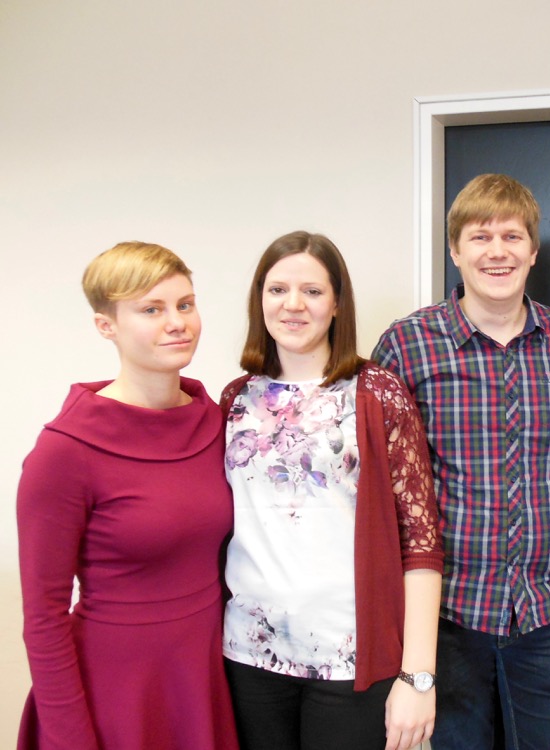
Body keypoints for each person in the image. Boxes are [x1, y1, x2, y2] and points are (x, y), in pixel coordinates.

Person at [372, 174, 550, 749]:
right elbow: (383, 482)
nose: (498, 252)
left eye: (512, 236)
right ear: (455, 250)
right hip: (448, 617)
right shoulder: (407, 344)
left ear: (533, 250)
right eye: (480, 237)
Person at [219, 230, 443, 750]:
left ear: (337, 303)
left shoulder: (377, 393)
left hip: (349, 658)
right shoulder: (235, 399)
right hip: (248, 653)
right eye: (278, 290)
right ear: (260, 300)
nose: (293, 304)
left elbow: (420, 540)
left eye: (313, 291)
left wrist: (418, 676)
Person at [16, 242, 239, 750]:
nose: (177, 323)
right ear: (106, 326)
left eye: (185, 304)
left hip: (204, 679)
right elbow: (44, 619)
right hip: (116, 692)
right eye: (151, 310)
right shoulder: (65, 451)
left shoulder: (216, 421)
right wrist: (72, 739)